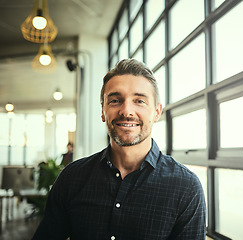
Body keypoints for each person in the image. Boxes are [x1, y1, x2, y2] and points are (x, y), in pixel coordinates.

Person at [32, 59, 206, 240]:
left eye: (139, 100)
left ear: (156, 112)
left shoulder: (186, 188)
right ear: (102, 111)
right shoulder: (72, 178)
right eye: (115, 100)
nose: (126, 111)